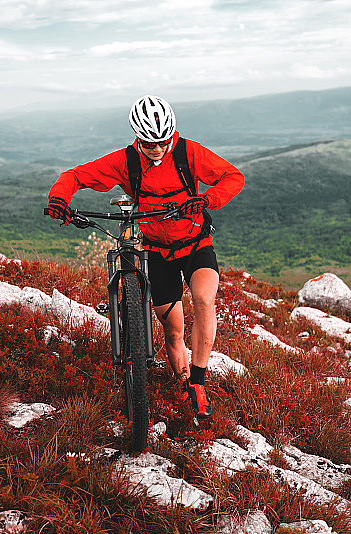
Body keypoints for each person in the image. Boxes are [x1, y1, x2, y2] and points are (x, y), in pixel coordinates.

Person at [46, 95, 244, 420]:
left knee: (204, 299)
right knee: (173, 331)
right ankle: (183, 383)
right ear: (137, 138)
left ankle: (198, 379)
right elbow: (75, 175)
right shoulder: (126, 161)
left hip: (195, 244)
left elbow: (233, 177)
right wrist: (58, 199)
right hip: (155, 250)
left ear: (172, 134)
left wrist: (207, 198)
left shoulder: (188, 152)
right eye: (149, 143)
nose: (157, 149)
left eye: (163, 141)